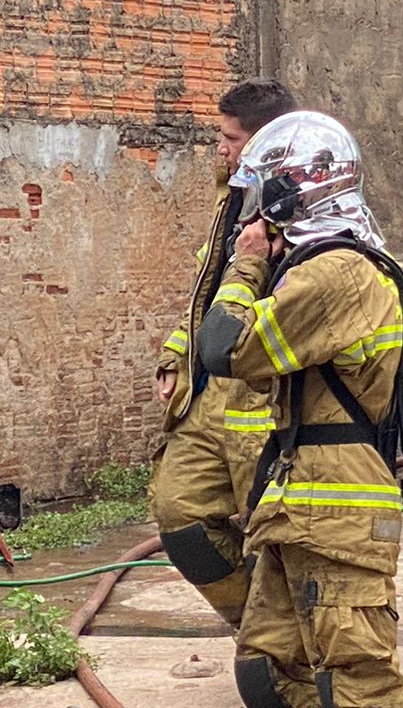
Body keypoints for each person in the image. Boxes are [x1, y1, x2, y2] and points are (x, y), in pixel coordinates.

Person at [195, 110, 403, 708]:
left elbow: (225, 347)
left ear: (287, 192)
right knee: (268, 669)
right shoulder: (317, 268)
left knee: (358, 678)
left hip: (338, 504)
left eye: (261, 193)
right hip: (300, 498)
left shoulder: (336, 273)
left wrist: (246, 264)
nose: (253, 209)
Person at [148, 78, 297, 631]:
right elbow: (206, 287)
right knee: (180, 518)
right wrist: (176, 354)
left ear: (264, 145)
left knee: (274, 537)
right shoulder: (230, 198)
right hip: (204, 397)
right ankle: (259, 630)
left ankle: (286, 651)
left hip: (263, 403)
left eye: (231, 139)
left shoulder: (308, 209)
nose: (220, 148)